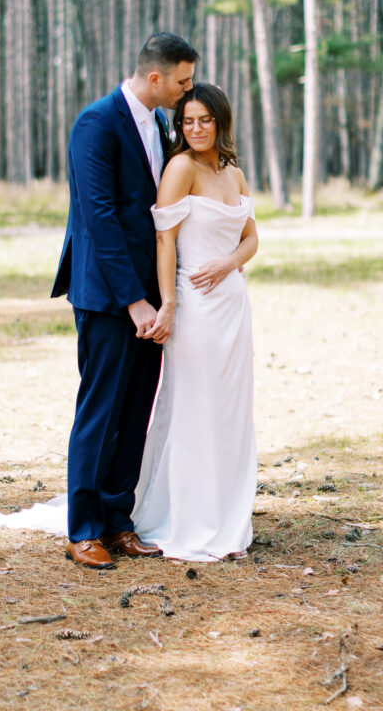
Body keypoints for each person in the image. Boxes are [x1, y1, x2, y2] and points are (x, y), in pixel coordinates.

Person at [50, 33, 199, 569]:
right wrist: (135, 301)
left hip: (153, 300)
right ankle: (83, 528)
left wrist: (165, 297)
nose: (188, 92)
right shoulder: (96, 122)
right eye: (182, 81)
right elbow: (100, 218)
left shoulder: (160, 123)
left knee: (135, 412)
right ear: (155, 77)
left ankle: (117, 520)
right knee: (100, 412)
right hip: (109, 298)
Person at [132, 82, 258, 561]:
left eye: (205, 119)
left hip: (231, 305)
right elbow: (166, 241)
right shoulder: (179, 168)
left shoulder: (234, 173)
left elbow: (251, 240)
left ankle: (228, 515)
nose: (196, 128)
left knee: (230, 410)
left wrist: (229, 264)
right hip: (193, 305)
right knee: (194, 407)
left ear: (220, 121)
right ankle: (190, 518)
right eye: (187, 121)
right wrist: (168, 304)